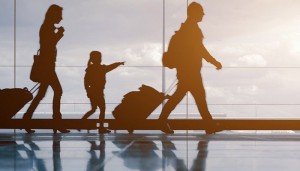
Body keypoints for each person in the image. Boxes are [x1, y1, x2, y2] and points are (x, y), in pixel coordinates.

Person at [159, 2, 222, 134]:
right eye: (201, 12)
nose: (203, 14)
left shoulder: (187, 29)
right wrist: (214, 61)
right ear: (194, 13)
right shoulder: (192, 29)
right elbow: (200, 49)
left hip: (186, 70)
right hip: (191, 71)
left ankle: (162, 120)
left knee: (187, 96)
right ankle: (209, 125)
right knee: (198, 97)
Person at [23, 4, 69, 134]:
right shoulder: (47, 28)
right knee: (58, 91)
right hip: (47, 67)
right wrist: (59, 34)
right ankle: (57, 123)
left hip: (47, 66)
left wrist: (57, 33)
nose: (61, 18)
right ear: (53, 15)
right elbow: (49, 45)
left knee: (41, 95)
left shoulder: (47, 27)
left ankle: (26, 119)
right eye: (59, 15)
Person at [82, 51, 124, 133]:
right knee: (102, 109)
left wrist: (88, 91)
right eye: (99, 58)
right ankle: (101, 127)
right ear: (97, 59)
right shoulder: (101, 68)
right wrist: (119, 63)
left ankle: (82, 122)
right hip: (98, 92)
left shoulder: (90, 69)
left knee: (93, 109)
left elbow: (86, 82)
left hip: (92, 91)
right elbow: (111, 67)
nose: (100, 59)